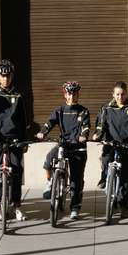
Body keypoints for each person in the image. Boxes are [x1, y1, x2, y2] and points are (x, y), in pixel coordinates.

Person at [0, 59, 29, 222]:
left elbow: (23, 120)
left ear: (12, 76)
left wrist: (25, 141)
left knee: (16, 171)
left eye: (8, 75)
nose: (6, 78)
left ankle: (17, 206)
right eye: (3, 75)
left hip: (15, 137)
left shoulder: (18, 95)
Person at [36, 81, 90, 220]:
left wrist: (83, 136)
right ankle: (50, 183)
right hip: (64, 145)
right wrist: (43, 132)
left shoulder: (83, 111)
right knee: (49, 158)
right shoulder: (59, 110)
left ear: (78, 94)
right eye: (69, 93)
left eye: (74, 93)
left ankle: (75, 208)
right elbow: (49, 123)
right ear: (65, 94)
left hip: (78, 147)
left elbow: (86, 126)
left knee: (76, 180)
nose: (72, 96)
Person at [92, 81, 128, 219]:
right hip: (111, 143)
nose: (120, 97)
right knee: (106, 159)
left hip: (127, 145)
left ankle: (124, 206)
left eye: (123, 94)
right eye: (117, 94)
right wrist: (97, 135)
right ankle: (104, 178)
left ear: (126, 94)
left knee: (126, 179)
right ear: (113, 94)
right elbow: (101, 125)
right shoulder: (106, 108)